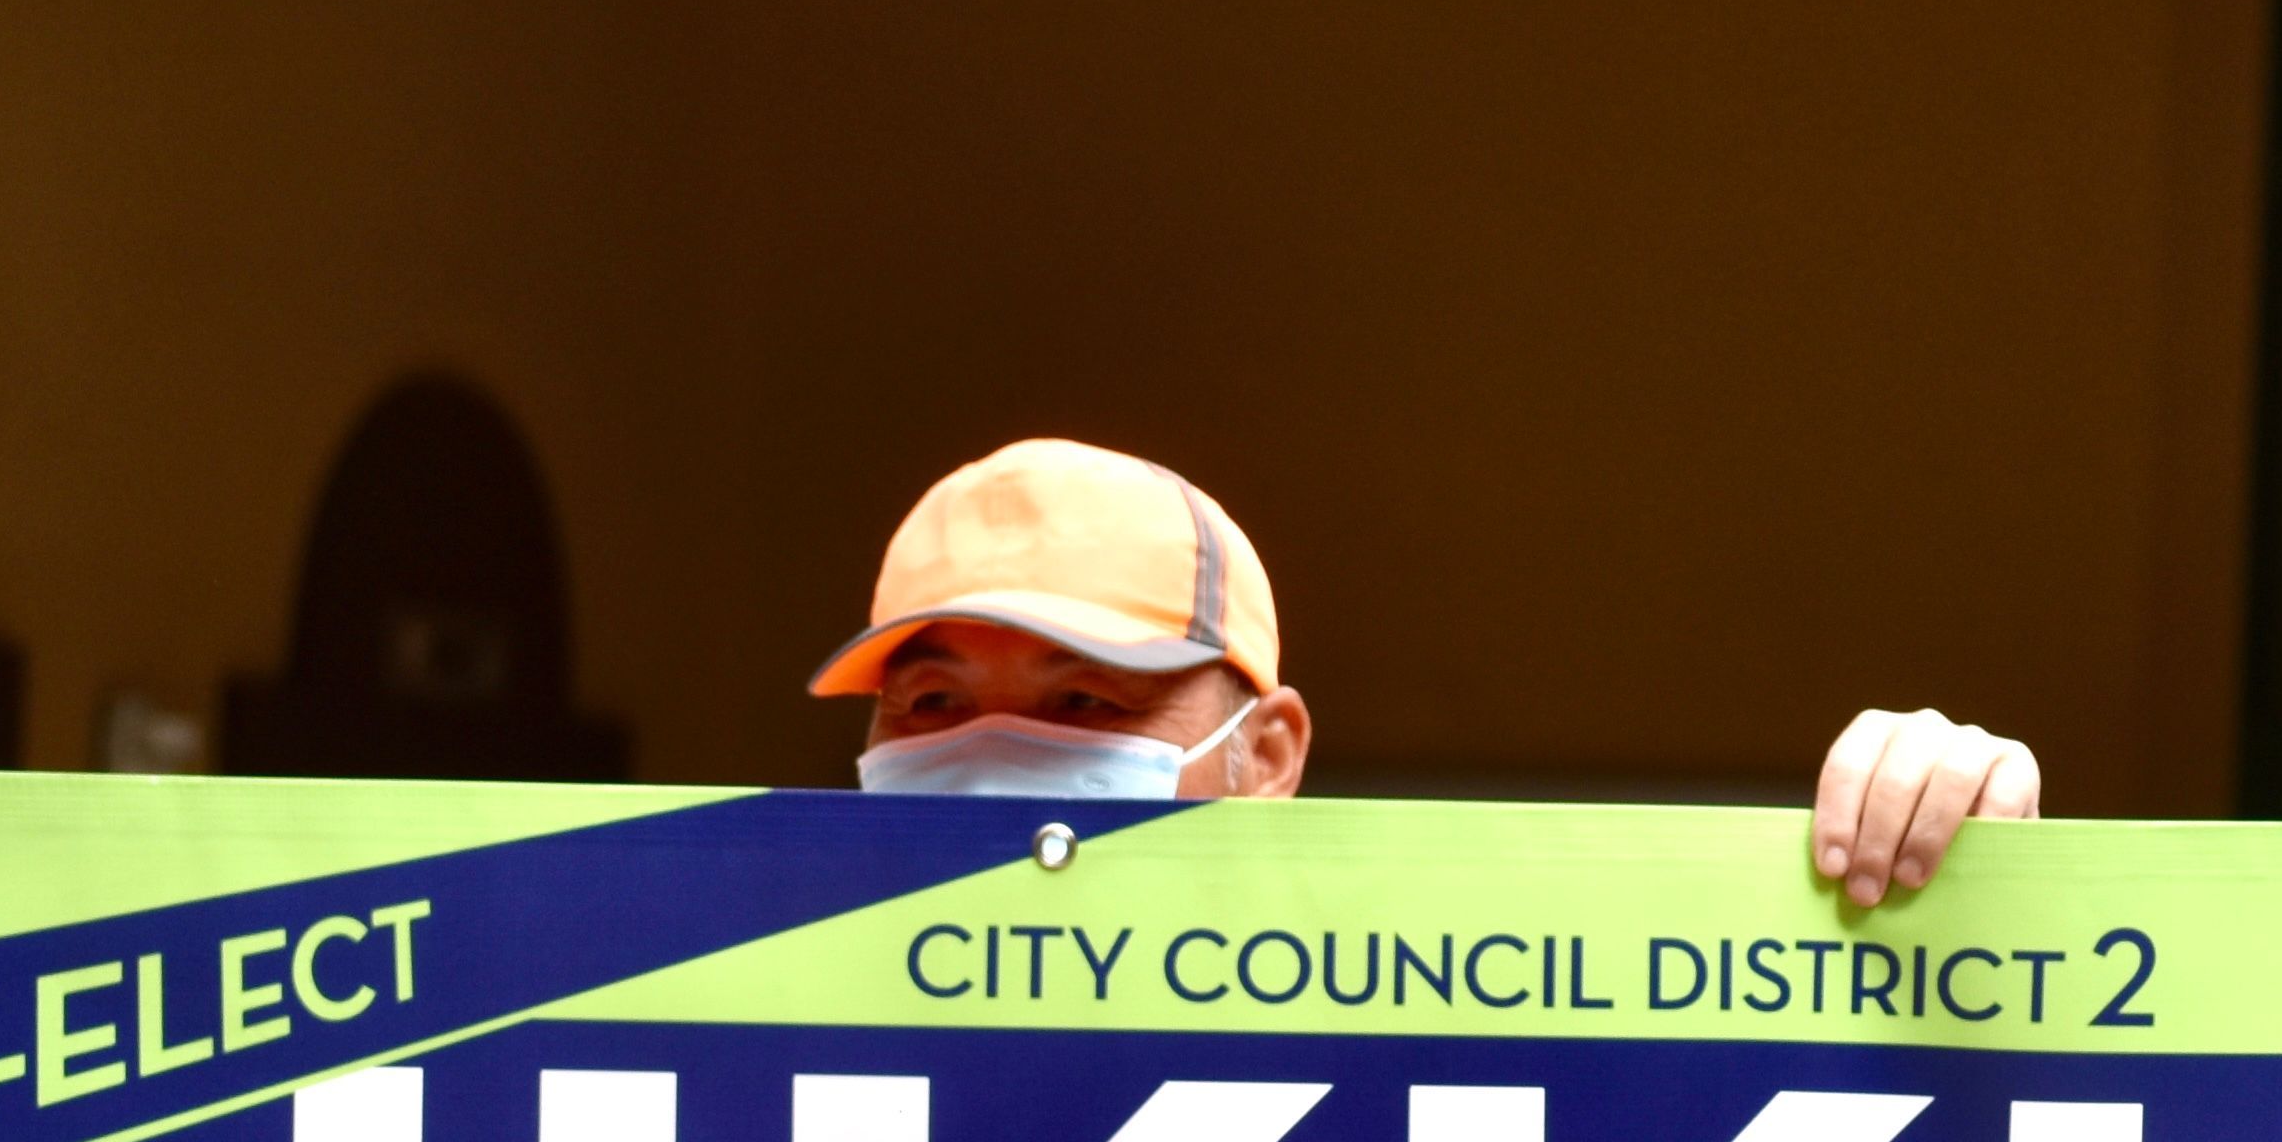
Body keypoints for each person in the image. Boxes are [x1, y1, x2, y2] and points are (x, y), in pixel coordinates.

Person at [816, 437, 2042, 900]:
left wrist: (1967, 845)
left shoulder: (1414, 1021)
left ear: (1268, 753)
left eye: (1086, 699)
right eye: (933, 701)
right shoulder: (738, 1026)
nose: (1000, 751)